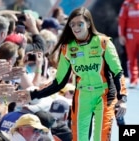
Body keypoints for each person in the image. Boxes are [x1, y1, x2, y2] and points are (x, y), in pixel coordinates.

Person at [18, 7, 127, 141]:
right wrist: (33, 94)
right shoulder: (67, 48)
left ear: (88, 24)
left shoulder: (103, 43)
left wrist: (122, 99)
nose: (75, 28)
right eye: (72, 24)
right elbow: (59, 82)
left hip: (104, 95)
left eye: (79, 24)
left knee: (101, 138)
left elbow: (118, 71)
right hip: (82, 96)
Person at [118, 0, 139, 88]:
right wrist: (121, 35)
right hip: (130, 36)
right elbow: (121, 19)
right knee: (131, 59)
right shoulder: (126, 4)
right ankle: (133, 80)